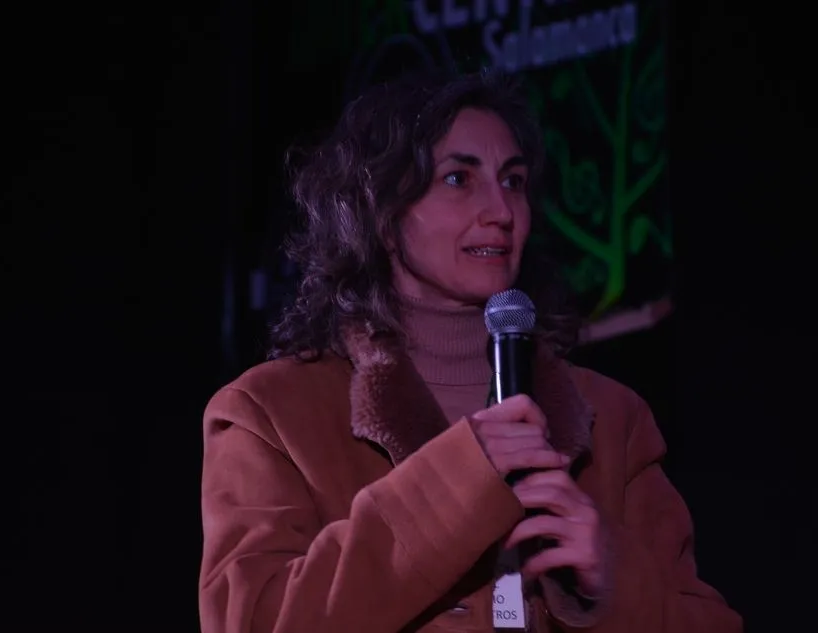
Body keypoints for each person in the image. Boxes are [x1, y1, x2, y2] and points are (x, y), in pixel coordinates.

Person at [198, 70, 742, 633]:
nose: (501, 211)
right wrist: (460, 477)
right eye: (459, 178)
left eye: (513, 181)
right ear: (381, 213)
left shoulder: (615, 419)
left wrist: (617, 584)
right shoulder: (269, 413)